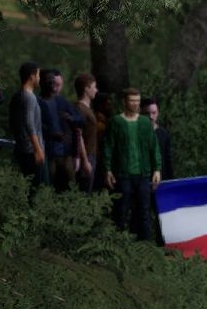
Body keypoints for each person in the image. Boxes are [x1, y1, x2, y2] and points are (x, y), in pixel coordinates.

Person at [101, 87, 162, 241]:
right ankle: (120, 245)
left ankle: (145, 247)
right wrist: (107, 169)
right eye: (132, 101)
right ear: (124, 102)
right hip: (123, 174)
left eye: (137, 101)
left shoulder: (145, 122)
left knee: (144, 212)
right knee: (121, 211)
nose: (135, 104)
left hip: (143, 174)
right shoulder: (116, 122)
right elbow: (108, 147)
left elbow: (154, 146)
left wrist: (157, 169)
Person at [39, 68, 81, 190]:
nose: (54, 87)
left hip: (66, 153)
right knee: (49, 186)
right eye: (51, 83)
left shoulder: (62, 102)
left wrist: (71, 118)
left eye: (57, 84)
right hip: (49, 153)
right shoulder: (38, 102)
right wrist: (50, 133)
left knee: (70, 187)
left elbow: (79, 123)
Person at [10, 61, 46, 186]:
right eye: (38, 75)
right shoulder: (28, 98)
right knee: (33, 187)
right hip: (30, 151)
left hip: (22, 148)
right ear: (32, 76)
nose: (39, 78)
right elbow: (29, 124)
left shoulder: (18, 96)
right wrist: (38, 149)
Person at [71, 73, 99, 191]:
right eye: (94, 87)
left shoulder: (87, 108)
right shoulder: (80, 108)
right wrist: (85, 160)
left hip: (91, 155)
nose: (96, 90)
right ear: (86, 89)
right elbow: (79, 135)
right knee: (84, 190)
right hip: (86, 155)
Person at [141, 96, 173, 180]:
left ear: (158, 113)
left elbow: (168, 159)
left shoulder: (164, 134)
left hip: (161, 179)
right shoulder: (136, 134)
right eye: (147, 113)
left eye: (154, 113)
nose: (151, 116)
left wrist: (170, 180)